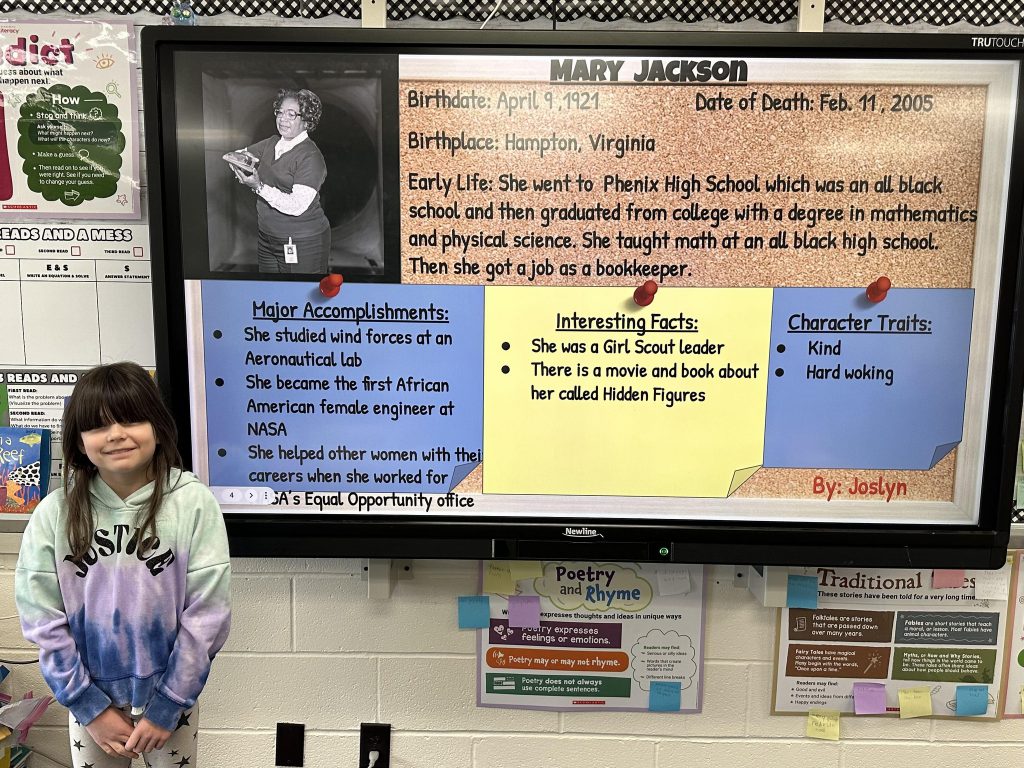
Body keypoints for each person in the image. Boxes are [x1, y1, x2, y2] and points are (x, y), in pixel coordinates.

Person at [15, 362, 231, 768]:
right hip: (90, 704)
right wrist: (89, 706)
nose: (115, 434)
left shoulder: (193, 503)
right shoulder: (54, 514)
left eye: (131, 418)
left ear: (158, 426)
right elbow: (41, 619)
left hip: (170, 702)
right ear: (78, 441)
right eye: (97, 426)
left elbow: (208, 614)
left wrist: (168, 705)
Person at [229, 88, 331, 273]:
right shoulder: (271, 143)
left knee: (299, 298)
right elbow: (242, 155)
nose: (282, 119)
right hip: (267, 237)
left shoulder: (311, 157)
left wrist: (258, 186)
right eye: (280, 112)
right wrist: (237, 161)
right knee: (270, 294)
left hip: (302, 241)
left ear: (307, 121)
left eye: (291, 114)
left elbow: (296, 205)